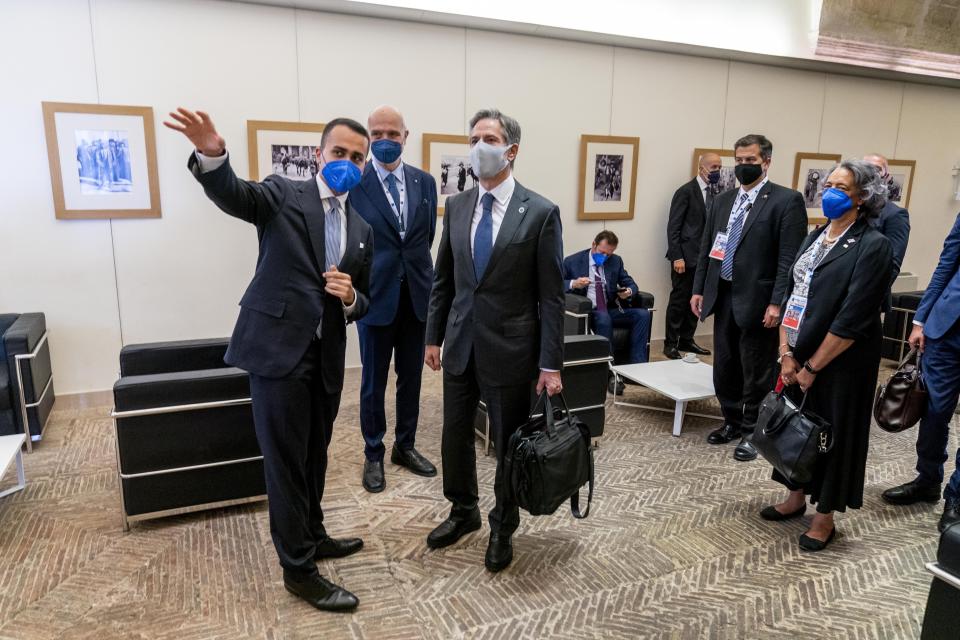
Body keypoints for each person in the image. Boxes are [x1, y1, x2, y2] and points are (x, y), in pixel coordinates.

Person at [163, 108, 374, 612]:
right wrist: (213, 154)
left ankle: (314, 533)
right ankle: (298, 570)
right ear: (320, 154)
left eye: (357, 158)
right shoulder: (284, 194)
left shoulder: (361, 226)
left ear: (365, 168)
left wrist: (350, 299)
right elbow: (236, 194)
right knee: (284, 463)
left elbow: (365, 298)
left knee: (315, 456)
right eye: (339, 152)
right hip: (277, 352)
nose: (347, 162)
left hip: (327, 358)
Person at [423, 108, 564, 573]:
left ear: (511, 150)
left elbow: (551, 296)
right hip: (461, 344)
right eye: (474, 138)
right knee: (454, 437)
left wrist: (550, 364)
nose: (478, 146)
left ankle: (504, 524)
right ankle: (462, 511)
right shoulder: (458, 205)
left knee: (507, 444)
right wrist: (433, 337)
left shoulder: (540, 212)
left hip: (511, 350)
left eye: (488, 137)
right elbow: (444, 279)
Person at [766, 160, 893, 551]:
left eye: (841, 186)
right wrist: (786, 354)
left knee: (829, 434)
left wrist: (812, 367)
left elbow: (852, 318)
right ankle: (795, 494)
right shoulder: (816, 235)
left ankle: (824, 518)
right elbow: (794, 294)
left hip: (841, 363)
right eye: (828, 184)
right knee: (795, 427)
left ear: (863, 197)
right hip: (799, 349)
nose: (829, 192)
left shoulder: (874, 245)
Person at [691, 134, 807, 461]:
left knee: (755, 369)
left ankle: (752, 431)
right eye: (739, 161)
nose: (743, 166)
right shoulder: (722, 200)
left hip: (760, 300)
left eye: (750, 161)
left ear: (766, 162)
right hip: (724, 293)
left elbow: (789, 259)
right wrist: (700, 289)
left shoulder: (786, 201)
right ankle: (730, 419)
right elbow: (707, 249)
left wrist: (777, 303)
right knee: (725, 365)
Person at [349, 106, 438, 493]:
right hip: (375, 297)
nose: (385, 140)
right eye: (377, 133)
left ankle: (405, 446)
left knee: (412, 378)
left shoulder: (426, 182)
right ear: (369, 137)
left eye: (392, 133)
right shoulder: (355, 184)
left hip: (417, 295)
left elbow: (425, 239)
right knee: (373, 381)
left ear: (406, 136)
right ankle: (373, 454)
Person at [882, 212, 960, 531]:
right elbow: (947, 262)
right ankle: (927, 480)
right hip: (947, 329)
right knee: (934, 411)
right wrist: (921, 318)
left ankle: (956, 497)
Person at [564, 231, 650, 394]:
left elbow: (630, 283)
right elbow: (556, 284)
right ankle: (610, 374)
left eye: (608, 254)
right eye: (601, 252)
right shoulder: (572, 261)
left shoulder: (615, 261)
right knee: (604, 318)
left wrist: (629, 292)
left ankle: (637, 369)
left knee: (642, 314)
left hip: (610, 308)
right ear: (593, 245)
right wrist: (574, 283)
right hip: (589, 311)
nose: (604, 257)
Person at [664, 152, 721, 359]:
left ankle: (687, 340)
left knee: (697, 302)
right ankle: (670, 343)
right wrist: (677, 256)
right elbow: (674, 227)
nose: (717, 171)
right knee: (679, 301)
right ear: (702, 167)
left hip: (705, 259)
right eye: (714, 167)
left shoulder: (717, 194)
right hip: (685, 258)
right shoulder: (686, 192)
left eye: (719, 167)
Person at [862, 153, 911, 311]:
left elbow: (891, 265)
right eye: (865, 168)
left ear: (886, 176)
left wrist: (862, 297)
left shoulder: (895, 214)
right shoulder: (849, 209)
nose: (870, 174)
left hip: (867, 298)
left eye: (876, 169)